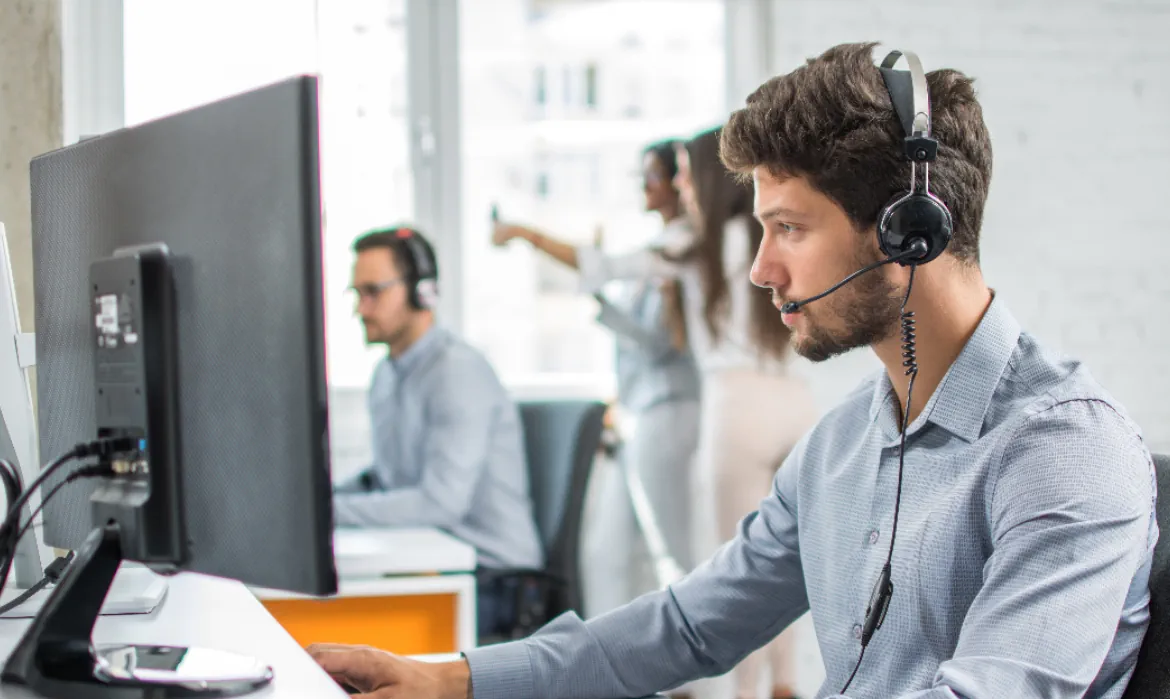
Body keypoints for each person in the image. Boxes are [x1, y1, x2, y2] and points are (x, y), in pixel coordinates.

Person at [308, 43, 1158, 700]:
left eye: (789, 228)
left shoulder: (1063, 449)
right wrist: (450, 679)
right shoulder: (838, 452)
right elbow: (685, 626)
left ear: (908, 233)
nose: (760, 271)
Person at [490, 127, 815, 699]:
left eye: (688, 174)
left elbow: (599, 264)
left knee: (737, 575)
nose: (682, 185)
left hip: (737, 406)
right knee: (789, 568)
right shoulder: (775, 235)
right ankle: (786, 685)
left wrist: (524, 232)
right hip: (795, 400)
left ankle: (742, 696)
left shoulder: (693, 242)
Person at [503, 140, 704, 618]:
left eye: (653, 176)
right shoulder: (658, 251)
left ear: (679, 182)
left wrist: (528, 236)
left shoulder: (682, 248)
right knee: (604, 552)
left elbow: (661, 343)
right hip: (637, 413)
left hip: (670, 410)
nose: (645, 186)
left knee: (676, 555)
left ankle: (699, 689)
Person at [332, 225, 543, 640]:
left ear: (422, 292)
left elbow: (438, 504)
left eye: (373, 291)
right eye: (357, 294)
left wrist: (328, 514)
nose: (362, 308)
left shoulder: (457, 372)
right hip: (435, 562)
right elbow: (387, 477)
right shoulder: (387, 375)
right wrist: (319, 500)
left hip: (495, 582)